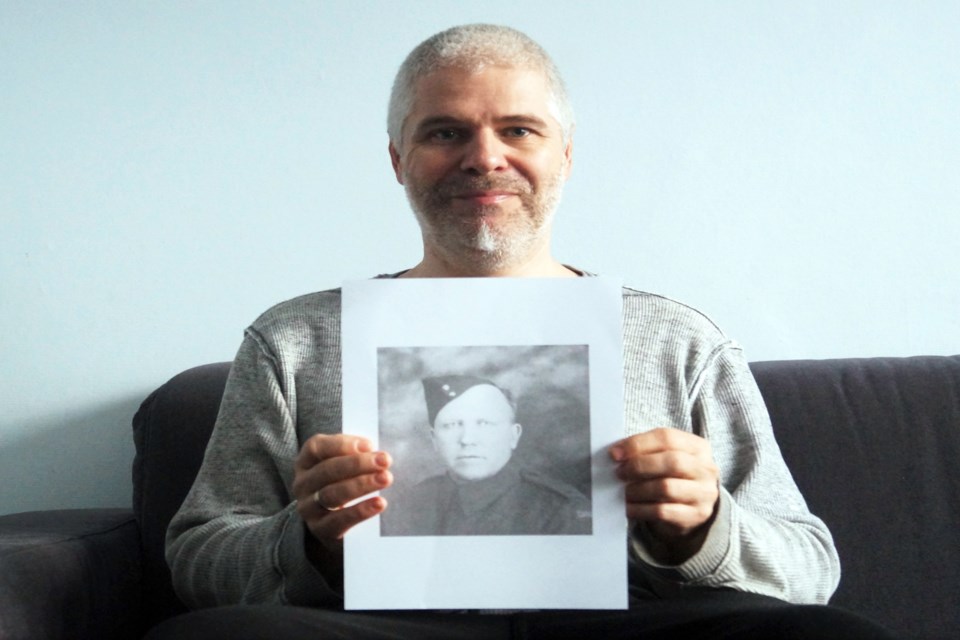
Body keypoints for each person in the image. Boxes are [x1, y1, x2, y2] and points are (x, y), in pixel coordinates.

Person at [150, 23, 898, 639]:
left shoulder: (676, 338)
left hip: (633, 624)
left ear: (563, 157)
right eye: (446, 132)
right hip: (376, 626)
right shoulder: (296, 340)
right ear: (398, 161)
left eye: (519, 130)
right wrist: (309, 538)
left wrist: (703, 529)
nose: (484, 158)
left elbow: (809, 568)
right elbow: (198, 559)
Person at [383, 374, 591, 536]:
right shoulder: (407, 504)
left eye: (484, 424)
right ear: (434, 439)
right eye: (452, 425)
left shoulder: (561, 510)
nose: (467, 439)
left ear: (513, 435)